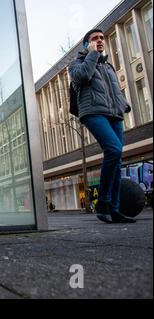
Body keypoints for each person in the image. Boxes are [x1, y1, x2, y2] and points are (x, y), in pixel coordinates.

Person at [69, 29, 135, 224]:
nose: (100, 41)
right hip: (93, 112)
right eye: (95, 38)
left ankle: (114, 209)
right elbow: (82, 77)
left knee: (118, 159)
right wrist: (92, 55)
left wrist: (124, 104)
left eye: (102, 38)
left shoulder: (109, 67)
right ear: (86, 45)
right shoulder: (77, 64)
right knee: (113, 150)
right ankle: (103, 202)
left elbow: (115, 90)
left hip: (114, 114)